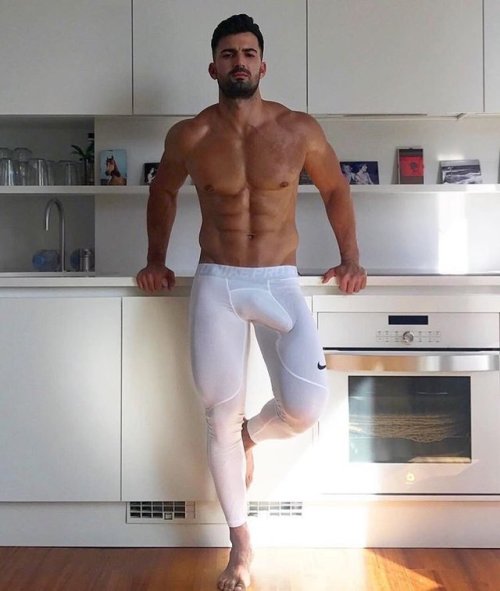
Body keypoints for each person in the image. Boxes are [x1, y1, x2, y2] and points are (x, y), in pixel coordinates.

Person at [136, 14, 366, 591]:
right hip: (218, 281)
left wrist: (351, 257)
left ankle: (251, 436)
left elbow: (335, 188)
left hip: (279, 281)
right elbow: (163, 191)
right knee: (218, 417)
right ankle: (240, 544)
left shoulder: (298, 129)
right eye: (228, 54)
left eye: (247, 53)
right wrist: (156, 259)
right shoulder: (190, 135)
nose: (238, 62)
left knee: (305, 408)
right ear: (212, 67)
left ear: (262, 65)